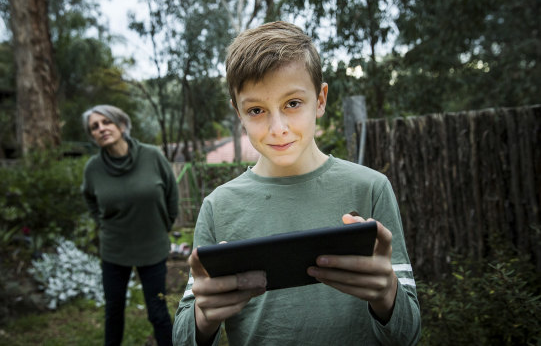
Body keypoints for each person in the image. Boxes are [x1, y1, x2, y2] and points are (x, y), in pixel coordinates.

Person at [172, 21, 421, 345]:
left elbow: (409, 334)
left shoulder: (371, 188)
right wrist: (203, 317)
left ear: (320, 99)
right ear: (238, 112)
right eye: (257, 109)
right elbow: (182, 337)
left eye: (292, 103)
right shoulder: (218, 207)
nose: (278, 128)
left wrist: (387, 294)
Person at [81, 105, 178, 346]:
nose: (101, 128)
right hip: (114, 250)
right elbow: (90, 200)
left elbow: (171, 194)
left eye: (106, 122)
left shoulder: (152, 156)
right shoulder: (93, 169)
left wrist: (163, 225)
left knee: (157, 311)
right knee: (113, 312)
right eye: (95, 126)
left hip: (152, 246)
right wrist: (103, 223)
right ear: (92, 135)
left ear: (121, 125)